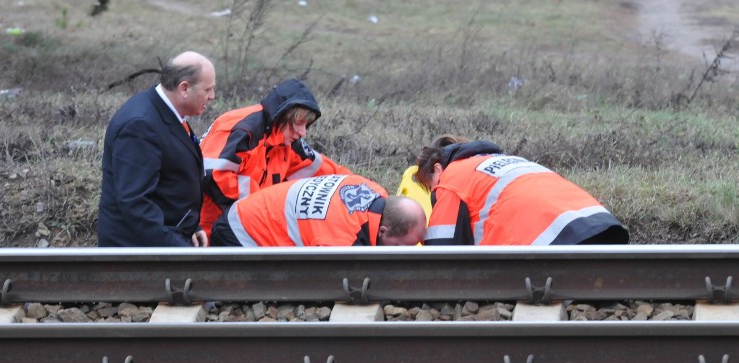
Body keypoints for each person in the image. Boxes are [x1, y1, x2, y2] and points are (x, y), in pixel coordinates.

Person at [198, 78, 351, 239]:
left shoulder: (286, 142)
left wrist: (362, 186)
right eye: (299, 123)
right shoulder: (244, 129)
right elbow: (213, 175)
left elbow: (324, 171)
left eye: (306, 125)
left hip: (245, 230)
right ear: (283, 115)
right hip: (207, 230)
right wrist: (262, 206)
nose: (302, 132)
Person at [415, 136, 629, 246]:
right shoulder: (505, 161)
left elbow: (440, 249)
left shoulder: (451, 177)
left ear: (437, 168)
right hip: (601, 226)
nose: (435, 192)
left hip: (551, 242)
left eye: (431, 185)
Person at [98, 51, 215, 247]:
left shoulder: (167, 112)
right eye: (208, 89)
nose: (212, 96)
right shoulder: (140, 126)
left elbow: (169, 179)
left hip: (164, 239)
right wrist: (177, 248)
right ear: (184, 88)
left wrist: (191, 227)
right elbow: (135, 203)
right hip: (137, 254)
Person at [210, 174, 426, 247]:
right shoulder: (340, 240)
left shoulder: (371, 188)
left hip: (249, 211)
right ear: (383, 231)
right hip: (239, 235)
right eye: (399, 246)